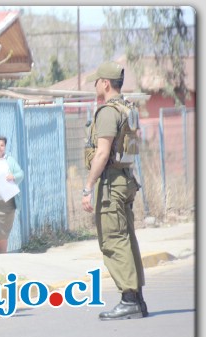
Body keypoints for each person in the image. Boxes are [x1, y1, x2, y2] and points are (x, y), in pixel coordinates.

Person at [82, 61, 147, 320]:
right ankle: (137, 299)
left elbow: (102, 153)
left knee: (113, 240)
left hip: (111, 183)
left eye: (97, 81)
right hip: (125, 179)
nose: (95, 85)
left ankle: (129, 299)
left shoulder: (108, 112)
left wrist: (87, 187)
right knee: (127, 238)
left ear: (105, 83)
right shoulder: (128, 108)